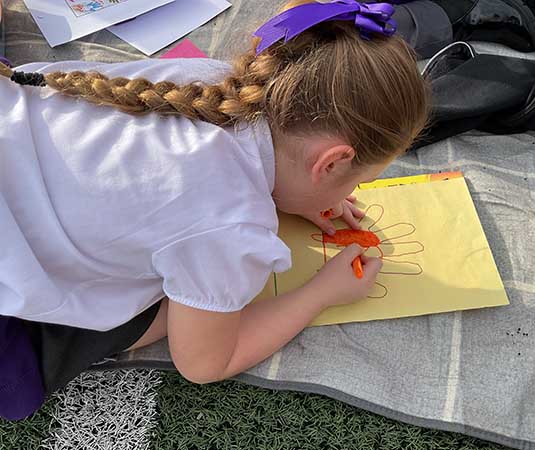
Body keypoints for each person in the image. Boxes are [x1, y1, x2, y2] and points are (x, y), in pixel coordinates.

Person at [0, 0, 429, 413]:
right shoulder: (233, 226)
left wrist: (298, 194)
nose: (347, 196)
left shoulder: (212, 81)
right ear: (330, 163)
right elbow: (204, 362)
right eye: (356, 181)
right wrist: (321, 294)